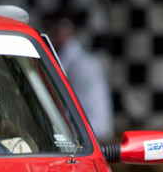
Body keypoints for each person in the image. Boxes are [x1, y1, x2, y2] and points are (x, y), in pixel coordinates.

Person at [45, 8, 113, 142]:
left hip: (91, 135)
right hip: (89, 132)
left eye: (55, 29)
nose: (52, 34)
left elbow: (91, 107)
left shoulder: (81, 64)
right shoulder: (80, 60)